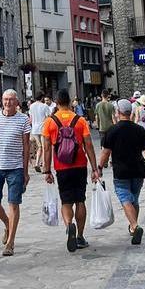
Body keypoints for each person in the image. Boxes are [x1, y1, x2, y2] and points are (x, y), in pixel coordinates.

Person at [99, 99, 145, 245]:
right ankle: (133, 227)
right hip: (138, 170)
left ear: (118, 112)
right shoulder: (139, 129)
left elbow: (105, 152)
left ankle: (134, 225)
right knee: (134, 198)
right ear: (130, 112)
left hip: (121, 171)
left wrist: (99, 168)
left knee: (125, 198)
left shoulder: (112, 130)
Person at [42, 89, 100, 252]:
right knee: (80, 200)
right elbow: (88, 145)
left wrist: (47, 171)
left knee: (66, 201)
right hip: (80, 165)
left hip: (62, 167)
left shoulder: (50, 122)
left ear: (56, 102)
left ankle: (69, 226)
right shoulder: (80, 120)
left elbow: (46, 148)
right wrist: (94, 168)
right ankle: (80, 237)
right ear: (69, 102)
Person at [0, 89, 31, 256]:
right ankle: (7, 223)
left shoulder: (23, 119)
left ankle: (10, 242)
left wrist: (25, 170)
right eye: (5, 99)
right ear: (2, 101)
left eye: (11, 100)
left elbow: (26, 147)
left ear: (17, 102)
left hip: (15, 168)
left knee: (13, 203)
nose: (8, 102)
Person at [27, 95, 49, 172]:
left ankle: (36, 163)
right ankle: (43, 166)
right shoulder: (44, 106)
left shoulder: (32, 106)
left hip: (34, 129)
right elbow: (48, 117)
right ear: (42, 98)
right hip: (43, 128)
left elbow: (30, 118)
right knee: (43, 147)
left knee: (39, 146)